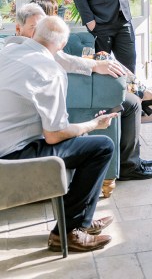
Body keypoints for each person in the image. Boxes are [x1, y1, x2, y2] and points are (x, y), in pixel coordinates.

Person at [0, 16, 116, 252]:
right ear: (62, 45)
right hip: (12, 157)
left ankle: (79, 218)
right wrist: (93, 124)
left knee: (78, 140)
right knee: (101, 146)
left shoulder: (9, 51)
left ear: (33, 35)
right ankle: (68, 232)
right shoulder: (50, 71)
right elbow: (55, 134)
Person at [9, 3, 152, 180]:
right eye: (34, 28)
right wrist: (93, 123)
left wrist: (98, 65)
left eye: (42, 28)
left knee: (131, 102)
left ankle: (131, 162)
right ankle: (128, 164)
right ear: (18, 28)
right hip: (23, 146)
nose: (39, 34)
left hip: (30, 139)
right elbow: (54, 134)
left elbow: (66, 60)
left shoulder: (36, 49)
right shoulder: (30, 55)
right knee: (120, 118)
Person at [30, 0, 152, 114]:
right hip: (75, 71)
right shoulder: (42, 40)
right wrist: (93, 61)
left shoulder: (45, 36)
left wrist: (93, 57)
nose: (57, 16)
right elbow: (64, 61)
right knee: (106, 59)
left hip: (76, 65)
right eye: (54, 12)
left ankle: (141, 93)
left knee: (104, 56)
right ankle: (142, 94)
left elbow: (65, 59)